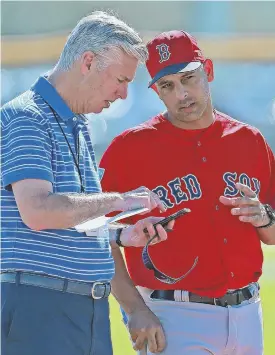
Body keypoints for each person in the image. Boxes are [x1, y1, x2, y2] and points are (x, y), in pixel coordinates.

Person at [1, 12, 175, 355]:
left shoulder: (76, 124)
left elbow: (72, 222)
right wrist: (119, 201)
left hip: (82, 309)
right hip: (41, 308)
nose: (124, 95)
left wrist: (121, 235)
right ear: (89, 61)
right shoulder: (27, 117)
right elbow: (38, 210)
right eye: (121, 80)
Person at [100, 30, 275, 354]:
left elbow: (273, 234)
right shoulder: (129, 149)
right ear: (156, 91)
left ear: (207, 71)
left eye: (189, 79)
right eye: (168, 85)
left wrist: (264, 217)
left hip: (248, 313)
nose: (182, 93)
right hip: (173, 316)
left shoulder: (249, 141)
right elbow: (93, 234)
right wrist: (134, 308)